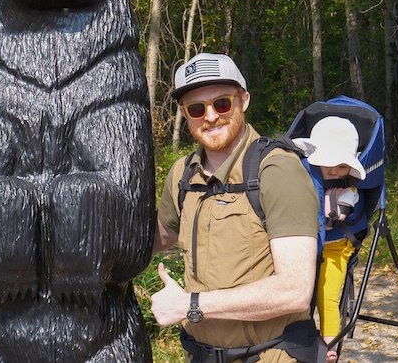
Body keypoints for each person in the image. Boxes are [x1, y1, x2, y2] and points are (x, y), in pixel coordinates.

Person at [150, 52, 326, 363]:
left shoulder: (276, 171)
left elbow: (294, 289)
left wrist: (190, 305)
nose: (210, 116)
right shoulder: (182, 174)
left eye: (222, 103)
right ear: (184, 114)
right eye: (196, 108)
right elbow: (157, 238)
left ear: (243, 100)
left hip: (270, 356)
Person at [294, 116, 366, 363]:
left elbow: (336, 213)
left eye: (342, 165)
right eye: (328, 163)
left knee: (327, 295)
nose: (334, 170)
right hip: (307, 245)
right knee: (297, 291)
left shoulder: (347, 191)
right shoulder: (305, 178)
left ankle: (330, 344)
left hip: (337, 247)